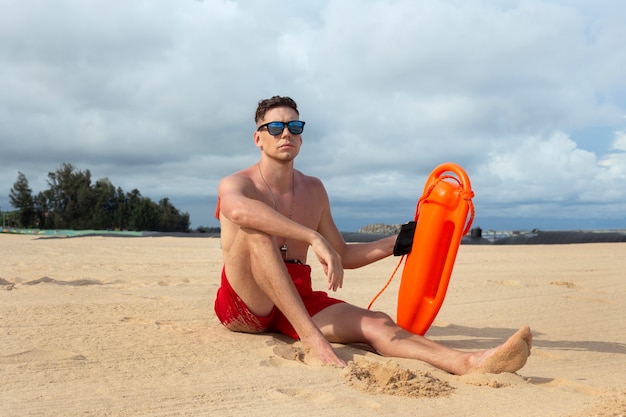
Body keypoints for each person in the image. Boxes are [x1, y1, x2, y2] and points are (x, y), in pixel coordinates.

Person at [214, 95, 532, 375]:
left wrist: (398, 242)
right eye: (275, 128)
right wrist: (312, 237)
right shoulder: (237, 183)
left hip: (296, 298)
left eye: (295, 128)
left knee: (378, 323)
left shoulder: (314, 189)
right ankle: (313, 341)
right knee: (257, 229)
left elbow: (344, 255)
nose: (286, 133)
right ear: (258, 138)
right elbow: (239, 211)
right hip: (246, 303)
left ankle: (469, 362)